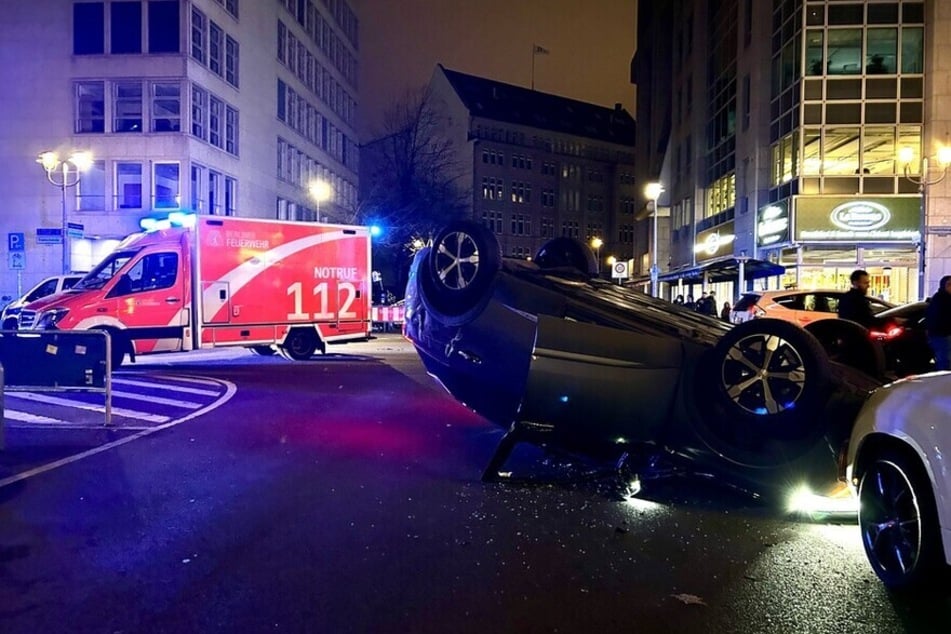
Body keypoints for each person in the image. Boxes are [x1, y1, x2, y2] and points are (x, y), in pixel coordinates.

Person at [925, 275, 951, 370]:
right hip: (941, 335)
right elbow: (936, 317)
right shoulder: (940, 299)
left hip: (944, 334)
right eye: (948, 284)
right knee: (944, 361)